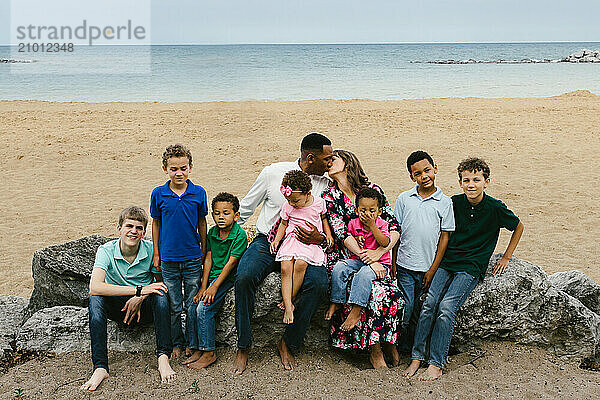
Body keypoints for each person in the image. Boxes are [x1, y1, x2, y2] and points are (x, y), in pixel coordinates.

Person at [403, 157, 524, 381]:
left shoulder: (495, 208)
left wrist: (506, 257)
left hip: (471, 266)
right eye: (466, 180)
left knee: (447, 306)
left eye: (476, 180)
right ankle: (417, 356)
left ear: (486, 182)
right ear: (460, 183)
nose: (471, 184)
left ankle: (436, 362)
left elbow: (518, 226)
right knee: (429, 303)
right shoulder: (455, 202)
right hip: (448, 262)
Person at [233, 133, 333, 374]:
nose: (330, 162)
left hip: (308, 247)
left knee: (319, 284)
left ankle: (288, 342)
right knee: (244, 276)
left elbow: (330, 221)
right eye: (326, 158)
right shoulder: (273, 172)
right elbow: (246, 207)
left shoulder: (328, 184)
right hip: (269, 241)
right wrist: (223, 236)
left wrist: (319, 238)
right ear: (310, 158)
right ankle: (244, 346)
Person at [322, 149, 403, 369]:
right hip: (350, 257)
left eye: (333, 159)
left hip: (378, 256)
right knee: (371, 291)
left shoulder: (372, 191)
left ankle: (389, 343)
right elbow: (342, 233)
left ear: (347, 163)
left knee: (385, 293)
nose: (328, 162)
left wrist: (378, 255)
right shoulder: (330, 196)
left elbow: (393, 226)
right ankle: (375, 351)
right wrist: (368, 258)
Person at [80, 206, 176, 392]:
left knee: (161, 296)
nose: (133, 231)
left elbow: (161, 284)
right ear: (119, 229)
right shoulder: (106, 250)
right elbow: (95, 286)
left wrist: (141, 297)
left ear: (144, 232)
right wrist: (137, 291)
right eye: (129, 226)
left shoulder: (151, 249)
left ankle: (163, 357)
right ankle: (100, 367)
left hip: (144, 308)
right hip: (118, 307)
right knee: (95, 299)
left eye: (139, 228)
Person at [392, 151, 455, 354]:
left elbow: (445, 237)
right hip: (404, 265)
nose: (424, 176)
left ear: (435, 169)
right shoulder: (404, 199)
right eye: (417, 173)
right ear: (412, 177)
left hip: (428, 268)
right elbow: (396, 232)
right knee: (407, 306)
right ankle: (399, 345)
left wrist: (433, 269)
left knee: (423, 310)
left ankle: (416, 347)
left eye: (427, 170)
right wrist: (392, 263)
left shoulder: (445, 202)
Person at [150, 144, 208, 358]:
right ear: (165, 169)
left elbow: (202, 223)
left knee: (192, 305)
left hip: (193, 257)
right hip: (168, 259)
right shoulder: (159, 194)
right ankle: (177, 343)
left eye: (183, 168)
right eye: (174, 169)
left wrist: (203, 250)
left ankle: (193, 343)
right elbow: (156, 224)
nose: (179, 173)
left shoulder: (198, 193)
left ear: (190, 167)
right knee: (174, 305)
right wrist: (157, 254)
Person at [185, 192, 248, 369]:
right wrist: (203, 286)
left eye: (226, 213)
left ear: (236, 216)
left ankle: (209, 352)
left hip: (226, 278)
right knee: (192, 305)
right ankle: (196, 347)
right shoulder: (212, 233)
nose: (221, 217)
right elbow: (209, 259)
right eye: (217, 213)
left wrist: (213, 287)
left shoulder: (239, 235)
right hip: (212, 277)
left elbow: (231, 264)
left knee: (204, 308)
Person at [270, 170, 334, 324]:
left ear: (308, 193)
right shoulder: (288, 205)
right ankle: (288, 305)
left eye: (296, 201)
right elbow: (283, 224)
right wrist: (277, 240)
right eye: (289, 201)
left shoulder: (319, 203)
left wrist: (328, 235)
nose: (292, 204)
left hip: (309, 241)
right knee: (286, 266)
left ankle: (291, 297)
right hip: (292, 239)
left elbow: (324, 219)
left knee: (300, 264)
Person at [327, 187, 391, 331]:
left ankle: (356, 309)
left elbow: (385, 242)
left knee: (363, 275)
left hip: (380, 265)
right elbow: (350, 240)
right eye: (363, 210)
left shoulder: (382, 224)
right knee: (339, 267)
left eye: (372, 211)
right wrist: (357, 238)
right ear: (356, 211)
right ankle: (336, 301)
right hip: (359, 260)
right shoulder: (353, 224)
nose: (367, 214)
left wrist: (373, 226)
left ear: (379, 211)